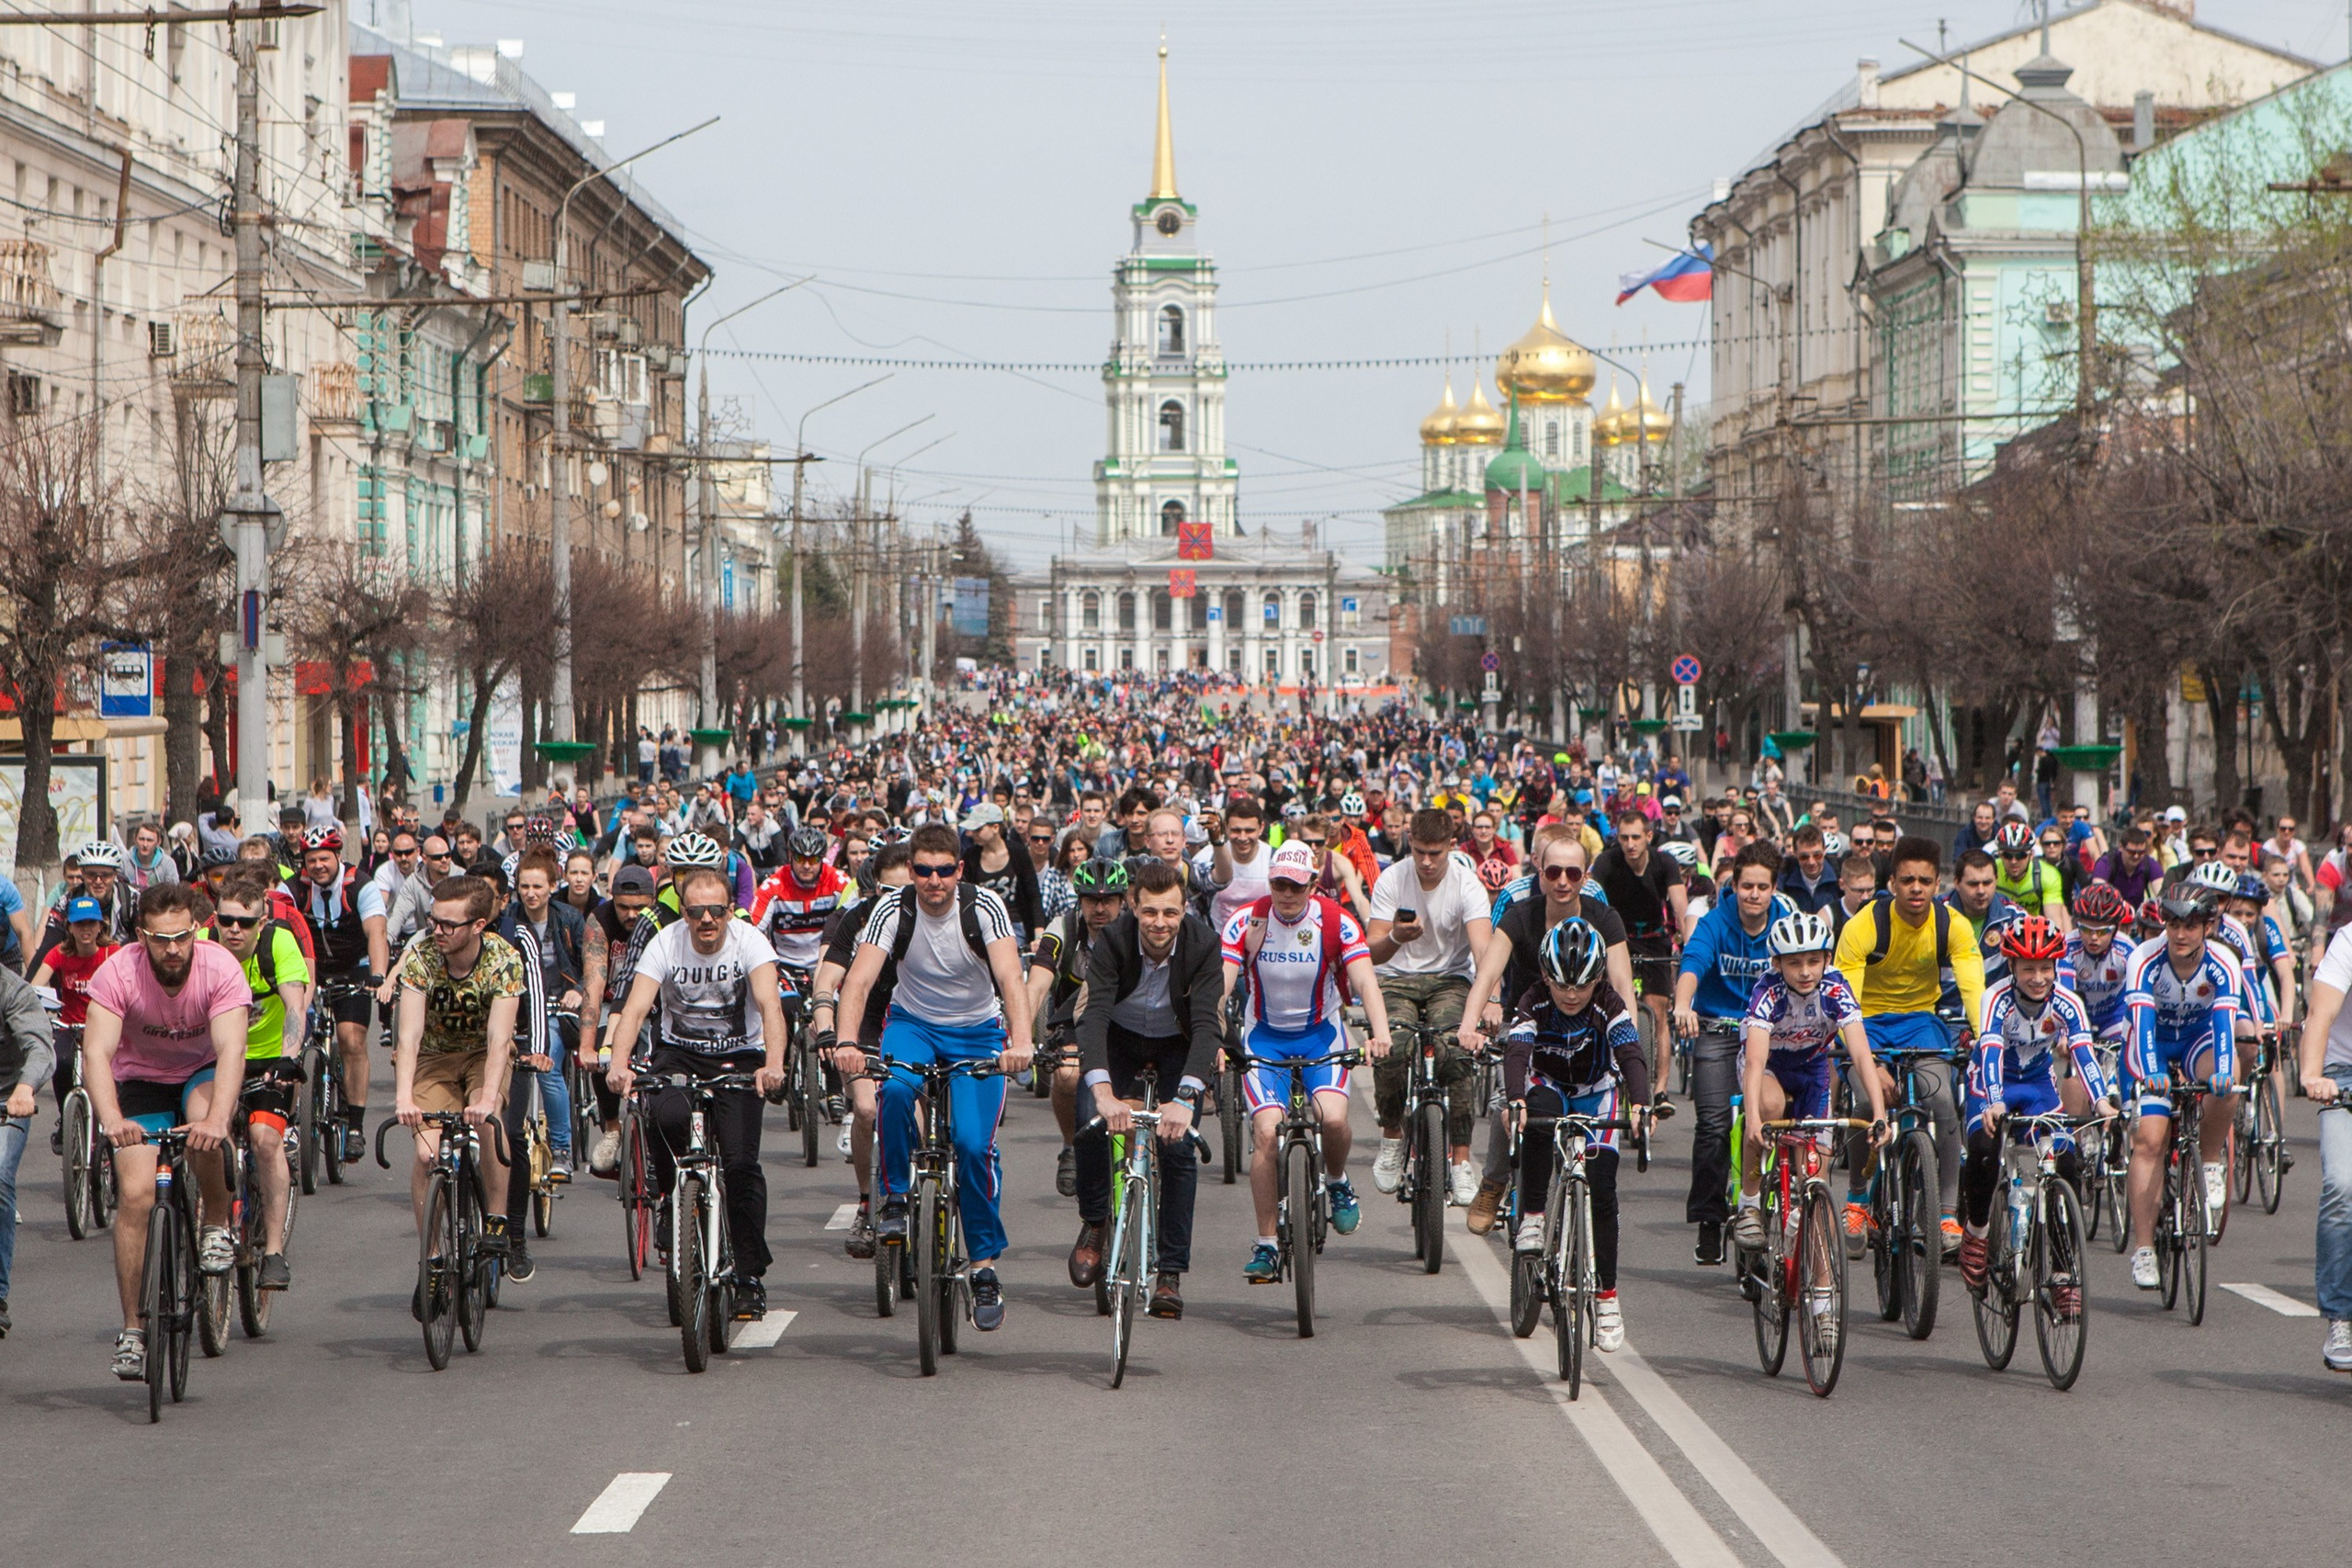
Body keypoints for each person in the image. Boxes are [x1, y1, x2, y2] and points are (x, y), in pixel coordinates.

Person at [833, 824, 1034, 1330]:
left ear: (959, 870)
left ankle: (985, 1269)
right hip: (913, 1026)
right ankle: (896, 1198)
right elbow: (857, 980)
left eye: (944, 870)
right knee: (895, 1092)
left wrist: (1022, 1042)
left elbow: (1011, 977)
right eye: (923, 870)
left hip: (976, 1034)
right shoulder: (891, 908)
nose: (933, 880)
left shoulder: (983, 907)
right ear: (913, 873)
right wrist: (847, 1042)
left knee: (971, 1145)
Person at [79, 883, 252, 1381]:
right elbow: (97, 1053)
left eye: (181, 937)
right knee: (134, 1197)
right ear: (141, 936)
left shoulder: (219, 968)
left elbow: (232, 1050)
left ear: (196, 930)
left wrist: (219, 1120)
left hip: (202, 1071)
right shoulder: (117, 971)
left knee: (204, 1131)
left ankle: (216, 1222)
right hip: (140, 1081)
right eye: (160, 939)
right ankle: (133, 1328)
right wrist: (111, 1121)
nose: (172, 949)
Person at [605, 863, 790, 1322]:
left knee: (741, 1165)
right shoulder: (664, 942)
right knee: (665, 1117)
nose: (706, 921)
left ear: (730, 909)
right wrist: (618, 1064)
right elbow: (635, 1009)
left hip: (740, 1057)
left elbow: (770, 1006)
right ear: (682, 912)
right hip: (679, 1056)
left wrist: (773, 1065)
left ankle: (748, 1276)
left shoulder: (750, 942)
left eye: (715, 911)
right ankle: (671, 1198)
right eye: (695, 912)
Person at [1222, 840, 1391, 1283]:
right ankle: (1265, 1244)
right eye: (1279, 884)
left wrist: (1380, 1034)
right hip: (1265, 1039)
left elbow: (1366, 983)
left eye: (1297, 885)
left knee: (1334, 1120)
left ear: (1314, 884)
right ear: (1270, 882)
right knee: (1265, 1133)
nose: (1287, 893)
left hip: (1321, 1036)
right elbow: (1219, 990)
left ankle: (1335, 1181)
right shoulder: (1248, 921)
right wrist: (1214, 1041)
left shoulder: (1337, 922)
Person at [1068, 861, 1219, 1320]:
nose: (1160, 923)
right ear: (1133, 906)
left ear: (1184, 909)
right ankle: (1095, 1222)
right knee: (1089, 1125)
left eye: (1170, 913)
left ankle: (1170, 1273)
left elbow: (1207, 1024)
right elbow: (1093, 1017)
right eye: (1150, 912)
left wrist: (1186, 1099)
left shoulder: (1204, 944)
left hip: (1176, 1042)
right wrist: (1103, 1092)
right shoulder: (1114, 939)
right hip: (1119, 1037)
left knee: (1176, 1150)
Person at [1502, 918, 1654, 1352]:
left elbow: (1629, 1052)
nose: (1571, 996)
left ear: (1598, 979)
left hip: (1596, 1093)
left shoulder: (1610, 1002)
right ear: (1546, 976)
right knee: (1535, 1113)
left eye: (1581, 986)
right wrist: (1515, 1099)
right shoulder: (1533, 1000)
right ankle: (1533, 1217)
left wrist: (1641, 1103)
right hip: (1548, 1087)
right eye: (1562, 985)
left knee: (1603, 1188)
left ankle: (1607, 1297)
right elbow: (1517, 1051)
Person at [1831, 837, 1984, 1257]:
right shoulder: (1863, 926)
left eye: (1925, 881)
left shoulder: (1953, 924)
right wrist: (1872, 1065)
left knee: (1941, 1101)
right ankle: (1859, 1200)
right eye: (1907, 880)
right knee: (1867, 1100)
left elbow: (1973, 987)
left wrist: (1984, 1035)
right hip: (1866, 1023)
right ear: (1892, 884)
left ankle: (1947, 1212)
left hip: (1921, 1022)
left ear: (1939, 884)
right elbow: (1845, 1005)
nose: (1916, 888)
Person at [1732, 909, 1890, 1314]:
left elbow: (1860, 1052)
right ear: (1777, 964)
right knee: (1768, 1109)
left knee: (1816, 1188)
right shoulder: (1768, 992)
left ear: (1826, 959)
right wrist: (1753, 1120)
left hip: (1813, 1072)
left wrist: (1878, 1113)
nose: (1805, 971)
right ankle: (1750, 1204)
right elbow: (1753, 1063)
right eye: (1794, 963)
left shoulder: (1836, 988)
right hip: (1768, 1069)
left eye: (1813, 961)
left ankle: (1822, 1307)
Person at [390, 875, 523, 1319]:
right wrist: (404, 1098)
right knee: (428, 1156)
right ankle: (430, 1260)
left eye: (449, 924)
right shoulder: (422, 956)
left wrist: (487, 1098)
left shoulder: (504, 959)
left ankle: (498, 1222)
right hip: (432, 1058)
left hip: (485, 1054)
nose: (438, 930)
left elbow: (500, 1036)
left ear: (479, 925)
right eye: (433, 920)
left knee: (486, 1121)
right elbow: (407, 1035)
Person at [1956, 916, 2110, 1293]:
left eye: (2046, 967)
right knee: (1983, 1150)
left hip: (2040, 1085)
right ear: (2012, 967)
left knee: (2068, 1163)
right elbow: (1990, 1052)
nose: (2038, 977)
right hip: (1992, 1083)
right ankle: (1977, 1230)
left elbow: (2085, 1055)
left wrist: (2102, 1101)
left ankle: (2061, 1271)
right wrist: (1993, 1102)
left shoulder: (2067, 1003)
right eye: (2028, 968)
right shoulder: (1996, 998)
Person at [1365, 807, 1490, 1208]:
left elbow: (1484, 952)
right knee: (1391, 1048)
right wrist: (1397, 938)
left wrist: (1490, 1002)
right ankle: (1392, 1136)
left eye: (1435, 853)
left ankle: (1460, 1160)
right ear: (1409, 844)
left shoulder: (1466, 884)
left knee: (1457, 1053)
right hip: (1396, 980)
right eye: (1419, 851)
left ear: (1451, 847)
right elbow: (1371, 952)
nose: (1426, 861)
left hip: (1450, 980)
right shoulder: (1391, 879)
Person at [2121, 890, 2243, 1292]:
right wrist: (2154, 1072)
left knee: (2229, 1080)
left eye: (2190, 925)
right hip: (2152, 1042)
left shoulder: (2223, 961)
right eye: (2173, 924)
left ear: (2207, 927)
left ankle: (2209, 1160)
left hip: (2197, 1041)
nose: (2180, 934)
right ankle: (2143, 1250)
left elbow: (2225, 1026)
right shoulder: (2144, 959)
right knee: (2150, 1141)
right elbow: (2139, 1022)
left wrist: (2223, 1072)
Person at [1671, 843, 1782, 1265]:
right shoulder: (1715, 922)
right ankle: (1709, 1218)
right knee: (1714, 1127)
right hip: (1718, 1030)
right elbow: (1693, 964)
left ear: (1774, 889)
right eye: (1746, 886)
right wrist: (1684, 1004)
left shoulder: (1784, 924)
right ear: (1733, 887)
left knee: (1776, 1119)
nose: (1754, 894)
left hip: (1769, 1034)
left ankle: (1773, 1200)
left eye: (1762, 887)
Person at [206, 865, 310, 1292]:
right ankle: (212, 1223)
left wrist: (288, 1059)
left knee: (266, 1142)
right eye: (225, 920)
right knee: (212, 1138)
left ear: (261, 921)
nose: (234, 930)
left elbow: (295, 1009)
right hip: (217, 1059)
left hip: (268, 1061)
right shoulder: (202, 946)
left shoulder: (279, 943)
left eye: (245, 922)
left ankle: (273, 1251)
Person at [1027, 859, 1129, 1200]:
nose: (1100, 908)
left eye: (1109, 900)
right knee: (1068, 1075)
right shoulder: (1064, 928)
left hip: (1127, 1017)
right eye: (1091, 900)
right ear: (1079, 900)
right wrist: (1019, 1033)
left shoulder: (1136, 928)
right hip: (1074, 1018)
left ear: (1122, 900)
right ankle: (1071, 1144)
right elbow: (1039, 981)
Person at [288, 826, 388, 1160]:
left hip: (353, 969)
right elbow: (270, 920)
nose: (317, 865)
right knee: (293, 1037)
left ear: (338, 857)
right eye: (311, 859)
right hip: (308, 970)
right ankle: (291, 1120)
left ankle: (356, 1126)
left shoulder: (361, 885)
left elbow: (377, 933)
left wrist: (378, 974)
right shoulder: (292, 889)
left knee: (351, 1039)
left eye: (324, 859)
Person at [1590, 805, 1689, 1109]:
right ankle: (1606, 1074)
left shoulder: (1664, 863)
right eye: (1624, 838)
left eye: (1636, 837)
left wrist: (1687, 944)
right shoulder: (1607, 861)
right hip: (1616, 938)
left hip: (1654, 939)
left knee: (1658, 1012)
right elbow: (1591, 898)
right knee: (1607, 1005)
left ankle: (1659, 1090)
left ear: (1649, 836)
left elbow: (1680, 907)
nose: (1630, 844)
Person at [2295, 914, 2352, 1370]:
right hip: (2345, 1078)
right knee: (2343, 1185)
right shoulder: (2347, 942)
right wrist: (2312, 1074)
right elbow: (2321, 1014)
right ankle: (2340, 1315)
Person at [0, 957, 52, 1337]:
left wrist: (25, 1087)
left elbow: (39, 1047)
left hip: (7, 1102)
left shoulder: (12, 989)